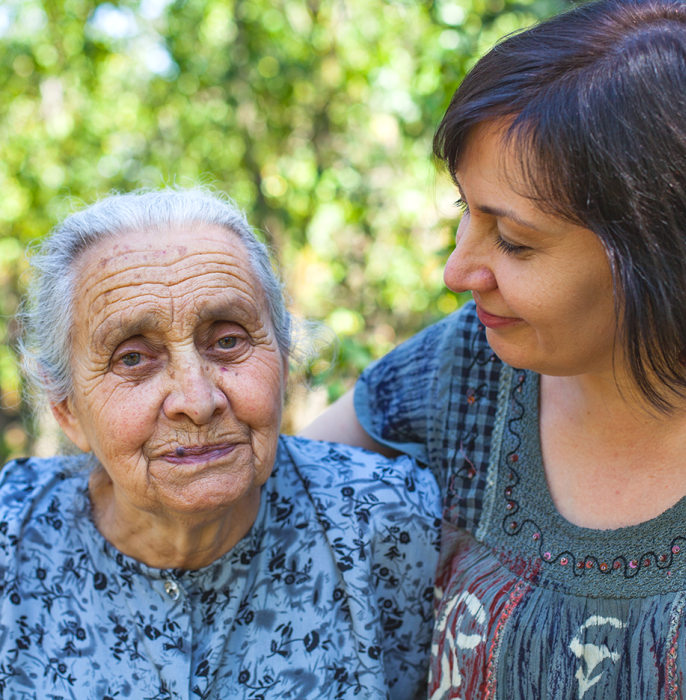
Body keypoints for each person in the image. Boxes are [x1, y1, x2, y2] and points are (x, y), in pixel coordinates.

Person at [301, 0, 686, 697]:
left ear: (663, 254)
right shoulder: (465, 369)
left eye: (514, 241)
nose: (458, 272)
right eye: (466, 212)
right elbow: (279, 497)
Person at [0, 188, 441, 700]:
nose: (197, 399)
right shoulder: (11, 541)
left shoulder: (393, 524)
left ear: (283, 360)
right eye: (133, 359)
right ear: (67, 410)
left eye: (228, 341)